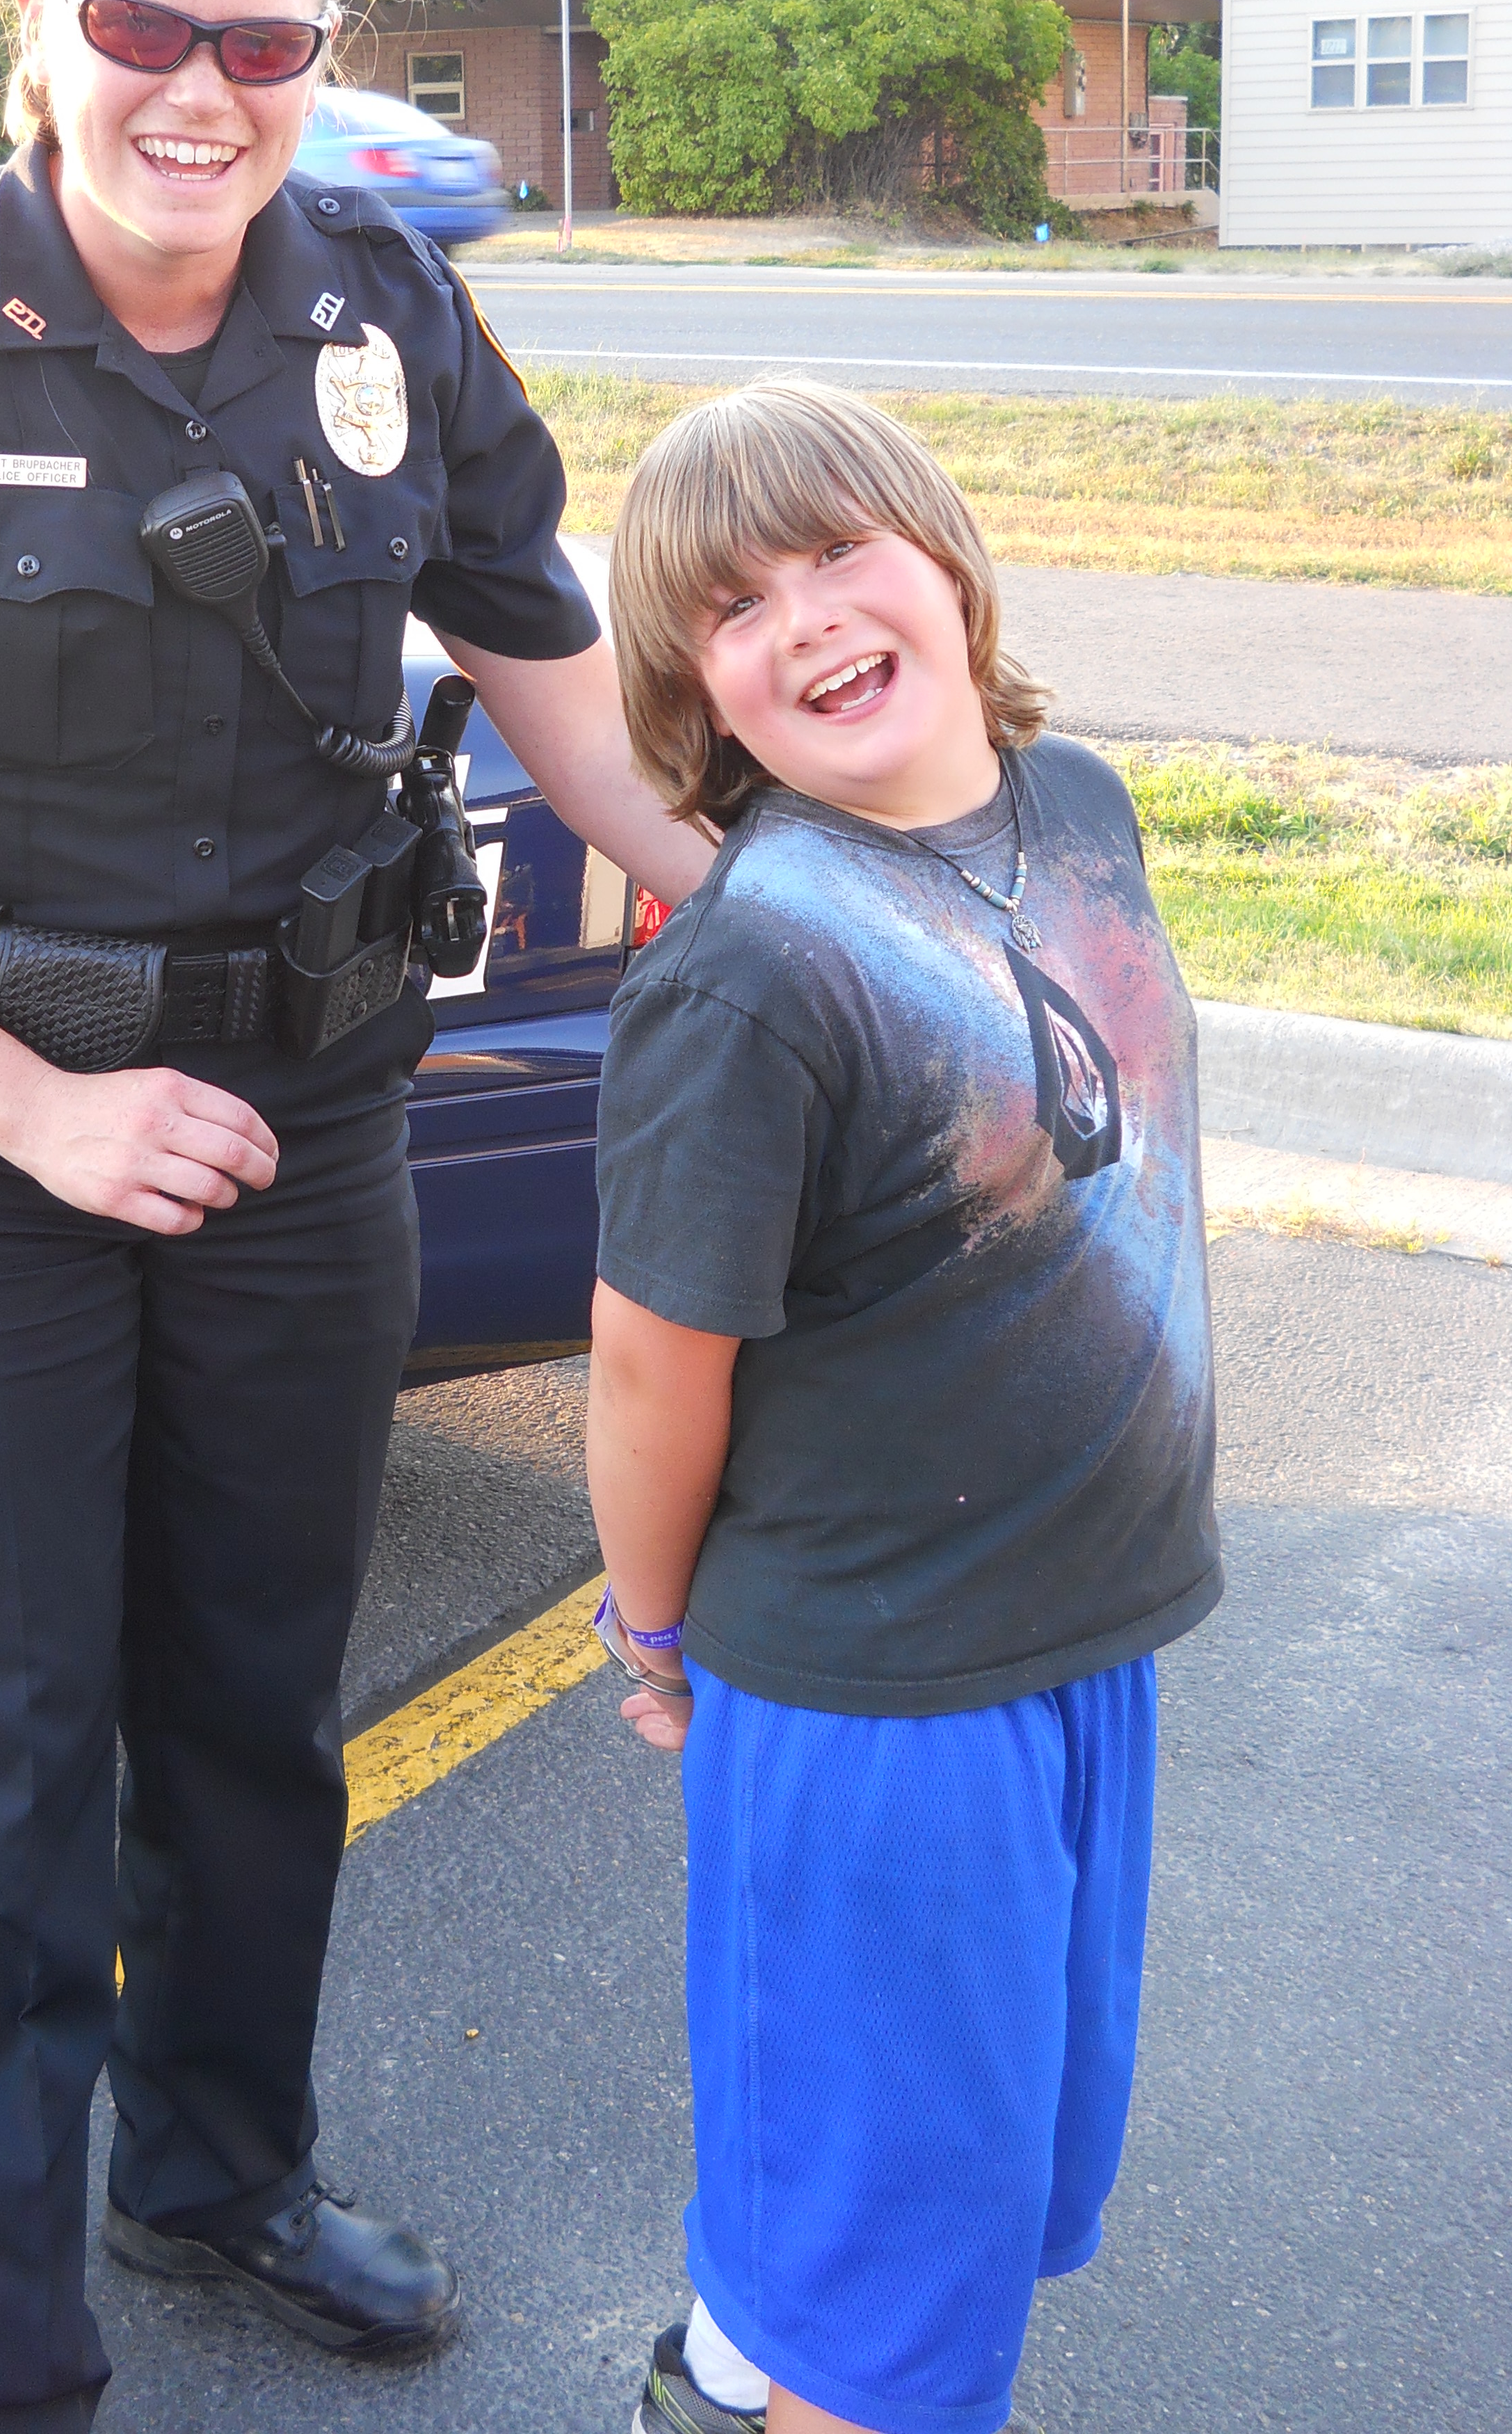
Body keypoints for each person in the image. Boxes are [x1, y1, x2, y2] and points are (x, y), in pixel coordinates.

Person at [0, 0, 709, 2434]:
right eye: (140, 26)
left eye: (260, 35)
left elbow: (529, 614)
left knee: (252, 1702)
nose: (199, 90)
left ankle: (219, 2171)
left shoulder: (375, 301)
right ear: (38, 26)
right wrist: (38, 1117)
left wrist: (712, 877)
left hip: (306, 1108)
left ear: (317, 49)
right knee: (3, 1752)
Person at [581, 383, 1220, 2434]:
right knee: (893, 2295)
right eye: (734, 611)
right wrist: (653, 1631)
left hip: (1074, 1637)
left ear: (943, 560)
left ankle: (733, 2374)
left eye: (840, 552)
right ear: (701, 701)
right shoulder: (751, 973)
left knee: (967, 2185)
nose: (811, 620)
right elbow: (650, 1360)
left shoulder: (1078, 809)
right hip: (876, 1698)